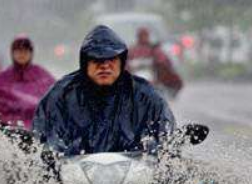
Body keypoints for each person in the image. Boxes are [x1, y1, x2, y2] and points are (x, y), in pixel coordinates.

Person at [33, 25, 176, 156]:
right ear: (85, 62)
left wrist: (165, 144)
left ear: (121, 62)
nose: (105, 67)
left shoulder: (145, 95)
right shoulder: (62, 95)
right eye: (97, 60)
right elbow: (44, 138)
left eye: (111, 60)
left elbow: (165, 135)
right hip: (72, 179)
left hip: (134, 179)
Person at [0, 35, 55, 130]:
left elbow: (53, 96)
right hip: (10, 127)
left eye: (25, 51)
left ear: (31, 53)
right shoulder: (4, 77)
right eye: (18, 51)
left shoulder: (41, 75)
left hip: (38, 127)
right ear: (12, 53)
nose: (22, 54)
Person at [128, 27, 183, 98]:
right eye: (142, 35)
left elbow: (164, 61)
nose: (144, 38)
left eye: (145, 35)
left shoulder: (153, 48)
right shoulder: (133, 50)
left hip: (152, 76)